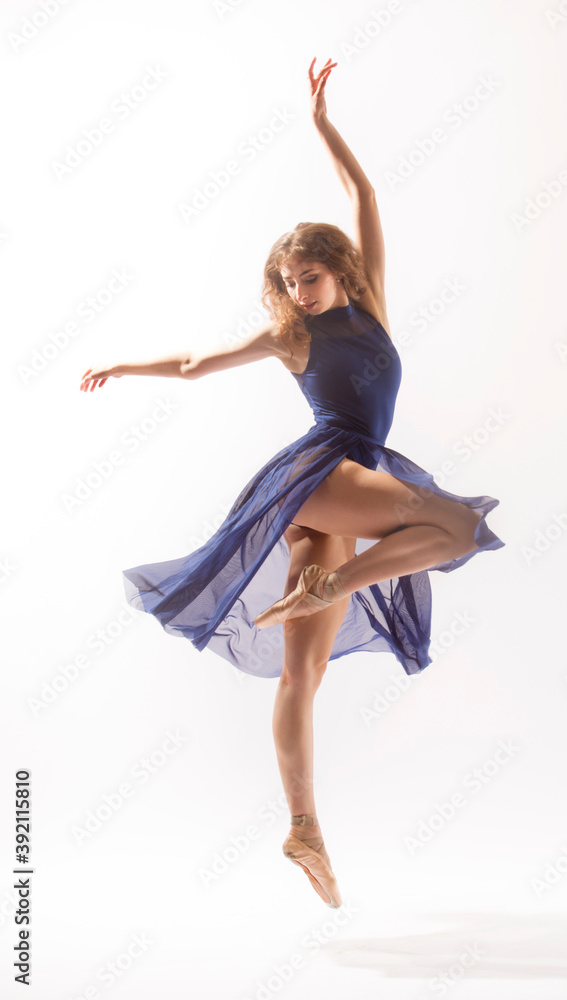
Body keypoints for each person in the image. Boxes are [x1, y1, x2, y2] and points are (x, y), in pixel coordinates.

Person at [80, 57, 505, 909]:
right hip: (316, 474)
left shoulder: (369, 299)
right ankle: (331, 583)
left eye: (306, 279)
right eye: (285, 284)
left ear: (340, 273)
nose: (295, 293)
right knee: (455, 528)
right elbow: (199, 363)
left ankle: (303, 825)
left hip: (347, 484)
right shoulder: (291, 337)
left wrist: (321, 126)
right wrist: (124, 366)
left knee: (300, 676)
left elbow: (365, 199)